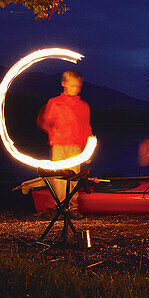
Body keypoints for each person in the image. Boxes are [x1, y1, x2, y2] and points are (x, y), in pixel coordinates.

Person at [37, 71, 93, 211]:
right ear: (64, 84)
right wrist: (52, 133)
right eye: (73, 85)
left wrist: (88, 149)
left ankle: (72, 207)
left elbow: (87, 127)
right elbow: (45, 121)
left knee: (73, 177)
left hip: (75, 147)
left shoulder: (83, 106)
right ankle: (59, 205)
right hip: (58, 145)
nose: (76, 89)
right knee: (57, 177)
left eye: (78, 86)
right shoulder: (54, 103)